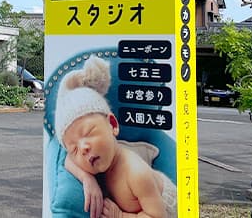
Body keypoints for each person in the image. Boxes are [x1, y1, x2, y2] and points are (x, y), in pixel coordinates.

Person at [55, 56, 177, 218]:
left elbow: (157, 216)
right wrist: (86, 179)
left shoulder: (136, 173)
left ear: (112, 124)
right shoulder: (99, 158)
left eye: (88, 132)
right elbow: (68, 160)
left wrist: (119, 216)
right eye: (74, 148)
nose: (83, 148)